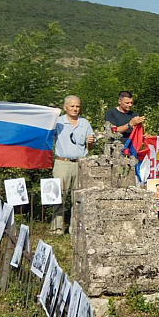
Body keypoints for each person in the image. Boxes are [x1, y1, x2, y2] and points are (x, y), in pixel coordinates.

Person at [51, 95, 94, 235]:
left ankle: (75, 228)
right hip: (62, 163)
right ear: (65, 107)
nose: (75, 109)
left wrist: (90, 142)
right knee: (58, 196)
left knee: (78, 198)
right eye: (72, 106)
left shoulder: (85, 123)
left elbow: (90, 147)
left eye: (77, 106)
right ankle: (57, 229)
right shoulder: (57, 122)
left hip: (80, 164)